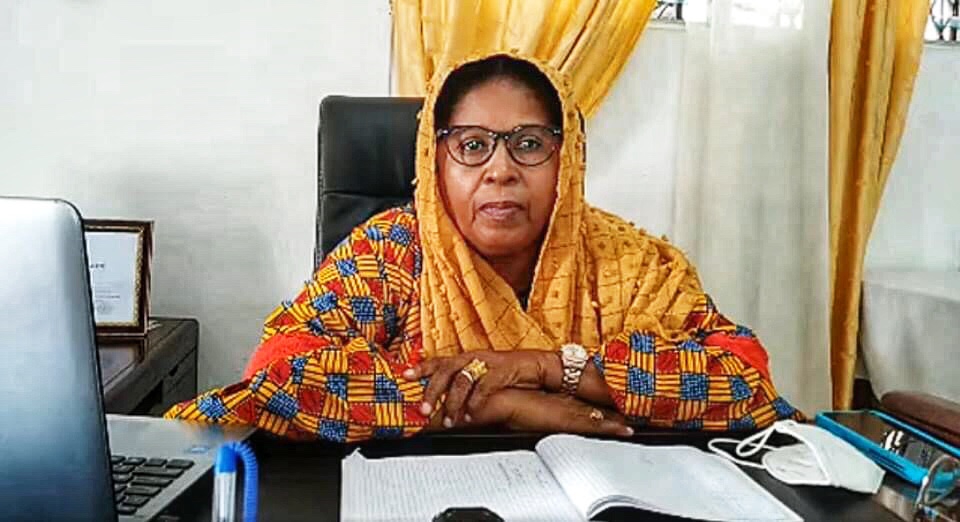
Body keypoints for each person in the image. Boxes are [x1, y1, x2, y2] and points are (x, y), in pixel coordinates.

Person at [165, 52, 801, 442]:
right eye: (472, 145)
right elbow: (277, 375)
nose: (501, 170)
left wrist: (547, 368)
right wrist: (502, 406)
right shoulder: (390, 253)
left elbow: (745, 380)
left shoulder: (632, 264)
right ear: (434, 161)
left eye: (529, 144)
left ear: (568, 160)